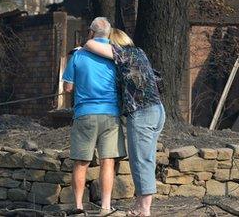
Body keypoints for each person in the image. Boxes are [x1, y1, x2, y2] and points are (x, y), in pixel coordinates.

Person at [84, 28, 165, 217]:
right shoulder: (139, 53)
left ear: (114, 43)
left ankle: (144, 209)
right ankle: (141, 204)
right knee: (147, 158)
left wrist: (86, 44)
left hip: (142, 113)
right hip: (158, 110)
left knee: (140, 160)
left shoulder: (124, 54)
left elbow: (90, 45)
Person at [62, 17, 126, 215]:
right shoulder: (116, 55)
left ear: (90, 33)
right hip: (110, 114)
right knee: (108, 161)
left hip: (85, 114)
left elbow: (68, 88)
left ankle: (79, 207)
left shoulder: (78, 56)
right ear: (108, 34)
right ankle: (106, 207)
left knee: (81, 162)